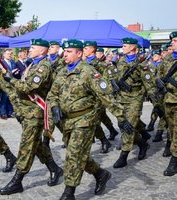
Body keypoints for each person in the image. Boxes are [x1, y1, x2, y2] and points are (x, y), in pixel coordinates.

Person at [47, 39, 133, 199]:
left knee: (73, 155)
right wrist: (54, 106)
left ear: (79, 53)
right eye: (64, 52)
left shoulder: (88, 72)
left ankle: (69, 192)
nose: (65, 54)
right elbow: (52, 94)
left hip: (84, 120)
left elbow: (106, 95)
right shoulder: (62, 71)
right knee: (80, 155)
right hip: (67, 122)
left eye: (69, 51)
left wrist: (121, 117)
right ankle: (100, 174)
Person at [0, 39, 63, 195]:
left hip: (36, 112)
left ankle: (17, 181)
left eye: (33, 47)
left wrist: (11, 80)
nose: (30, 49)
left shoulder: (43, 67)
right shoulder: (33, 64)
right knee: (37, 145)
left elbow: (29, 87)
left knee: (26, 145)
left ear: (42, 50)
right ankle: (55, 169)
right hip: (27, 111)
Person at [112, 38, 159, 168]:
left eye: (125, 45)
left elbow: (149, 85)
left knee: (128, 127)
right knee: (122, 125)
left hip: (135, 98)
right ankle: (142, 143)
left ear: (133, 48)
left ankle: (124, 155)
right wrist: (114, 84)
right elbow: (115, 78)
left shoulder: (141, 65)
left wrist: (156, 103)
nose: (123, 47)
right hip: (121, 98)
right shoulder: (120, 61)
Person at [83, 41, 118, 152]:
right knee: (100, 117)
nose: (83, 50)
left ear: (92, 49)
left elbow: (106, 82)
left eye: (86, 48)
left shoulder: (100, 64)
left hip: (98, 96)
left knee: (94, 119)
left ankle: (104, 141)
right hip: (86, 96)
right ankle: (111, 131)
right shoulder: (82, 63)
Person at [155, 31, 177, 176]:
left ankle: (174, 161)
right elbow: (159, 75)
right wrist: (160, 83)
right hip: (167, 100)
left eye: (175, 41)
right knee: (172, 129)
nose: (172, 43)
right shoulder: (168, 58)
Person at [0, 49, 15, 119]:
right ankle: (3, 113)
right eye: (8, 54)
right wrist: (12, 72)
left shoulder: (12, 62)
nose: (9, 55)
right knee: (4, 98)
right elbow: (3, 73)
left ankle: (10, 112)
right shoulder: (2, 63)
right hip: (5, 83)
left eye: (10, 54)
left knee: (10, 98)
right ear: (4, 55)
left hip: (12, 82)